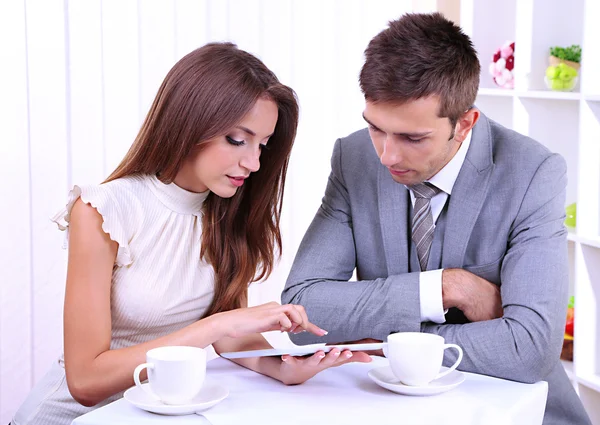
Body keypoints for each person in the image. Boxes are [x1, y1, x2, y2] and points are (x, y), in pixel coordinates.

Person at [12, 42, 370, 425]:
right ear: (189, 122)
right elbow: (85, 381)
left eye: (262, 145)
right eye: (237, 140)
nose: (253, 162)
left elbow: (230, 338)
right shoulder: (103, 210)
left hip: (149, 414)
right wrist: (217, 325)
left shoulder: (226, 213)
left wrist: (286, 366)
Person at [281, 13, 591, 425]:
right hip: (386, 409)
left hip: (511, 411)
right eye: (376, 128)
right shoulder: (352, 158)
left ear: (464, 124)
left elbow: (530, 347)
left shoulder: (532, 172)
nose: (387, 155)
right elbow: (301, 313)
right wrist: (444, 287)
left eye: (412, 138)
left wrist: (385, 342)